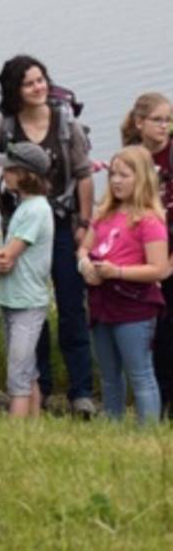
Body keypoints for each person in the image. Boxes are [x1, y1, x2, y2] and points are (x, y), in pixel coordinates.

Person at [0, 54, 95, 417]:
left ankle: (80, 391)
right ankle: (40, 386)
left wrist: (84, 225)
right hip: (21, 223)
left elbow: (83, 175)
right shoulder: (4, 128)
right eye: (29, 82)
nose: (38, 87)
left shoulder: (66, 123)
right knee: (32, 305)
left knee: (71, 306)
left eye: (41, 79)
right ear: (14, 90)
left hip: (63, 224)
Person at [77, 146, 169, 424]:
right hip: (102, 304)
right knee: (108, 375)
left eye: (124, 175)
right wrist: (85, 266)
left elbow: (159, 269)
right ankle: (112, 426)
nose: (116, 181)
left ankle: (148, 431)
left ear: (140, 178)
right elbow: (84, 249)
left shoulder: (150, 222)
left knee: (140, 373)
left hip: (134, 308)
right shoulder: (103, 215)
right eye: (113, 174)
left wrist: (117, 271)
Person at [0, 143, 54, 418]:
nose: (5, 174)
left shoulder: (35, 210)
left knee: (18, 373)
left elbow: (7, 258)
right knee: (28, 369)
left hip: (26, 301)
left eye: (11, 170)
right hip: (14, 297)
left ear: (27, 174)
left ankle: (16, 428)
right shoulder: (25, 207)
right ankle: (34, 424)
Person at [120, 92, 173, 415]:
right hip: (141, 258)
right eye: (158, 120)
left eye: (169, 120)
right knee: (147, 333)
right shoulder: (130, 158)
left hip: (169, 259)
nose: (165, 126)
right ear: (139, 123)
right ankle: (152, 405)